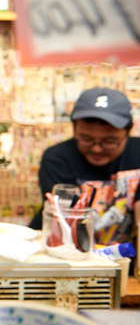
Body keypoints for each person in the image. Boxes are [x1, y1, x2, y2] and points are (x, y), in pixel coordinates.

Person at [29, 87, 140, 249]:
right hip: (64, 253)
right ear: (74, 130)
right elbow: (68, 223)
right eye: (86, 139)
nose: (96, 149)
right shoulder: (57, 158)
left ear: (127, 132)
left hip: (123, 259)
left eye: (109, 141)